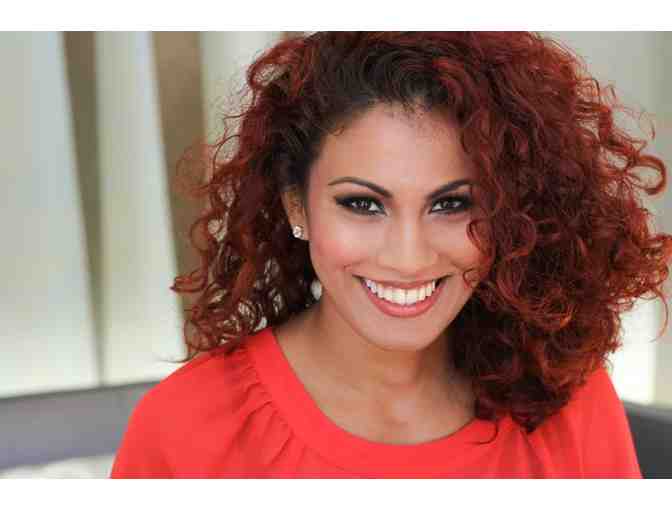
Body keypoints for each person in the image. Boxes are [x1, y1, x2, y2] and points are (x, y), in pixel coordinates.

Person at [110, 31, 672, 478]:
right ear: (296, 205)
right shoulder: (185, 428)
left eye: (452, 204)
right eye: (362, 204)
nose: (408, 258)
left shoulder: (567, 400)